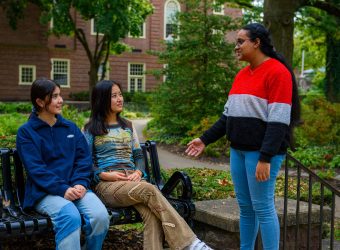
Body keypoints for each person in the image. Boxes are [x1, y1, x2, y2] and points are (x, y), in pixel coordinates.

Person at [186, 23, 300, 250]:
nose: (236, 47)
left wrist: (265, 158)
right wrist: (205, 139)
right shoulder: (241, 75)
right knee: (246, 208)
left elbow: (279, 122)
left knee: (263, 207)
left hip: (261, 154)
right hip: (238, 150)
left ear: (256, 43)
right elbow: (228, 117)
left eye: (240, 42)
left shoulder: (278, 73)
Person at [83, 80, 212, 250]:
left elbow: (138, 155)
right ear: (102, 99)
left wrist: (138, 171)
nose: (120, 99)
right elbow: (84, 161)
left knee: (151, 214)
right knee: (149, 189)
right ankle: (189, 243)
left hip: (133, 183)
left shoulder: (128, 126)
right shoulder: (90, 128)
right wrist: (103, 175)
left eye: (120, 94)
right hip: (107, 186)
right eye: (114, 96)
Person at [16, 79, 110, 250]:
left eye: (60, 95)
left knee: (100, 216)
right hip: (44, 192)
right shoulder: (26, 132)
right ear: (39, 102)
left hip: (75, 187)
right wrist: (63, 189)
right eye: (54, 97)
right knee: (70, 216)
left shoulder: (70, 128)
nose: (60, 100)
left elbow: (83, 159)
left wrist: (81, 183)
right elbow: (36, 169)